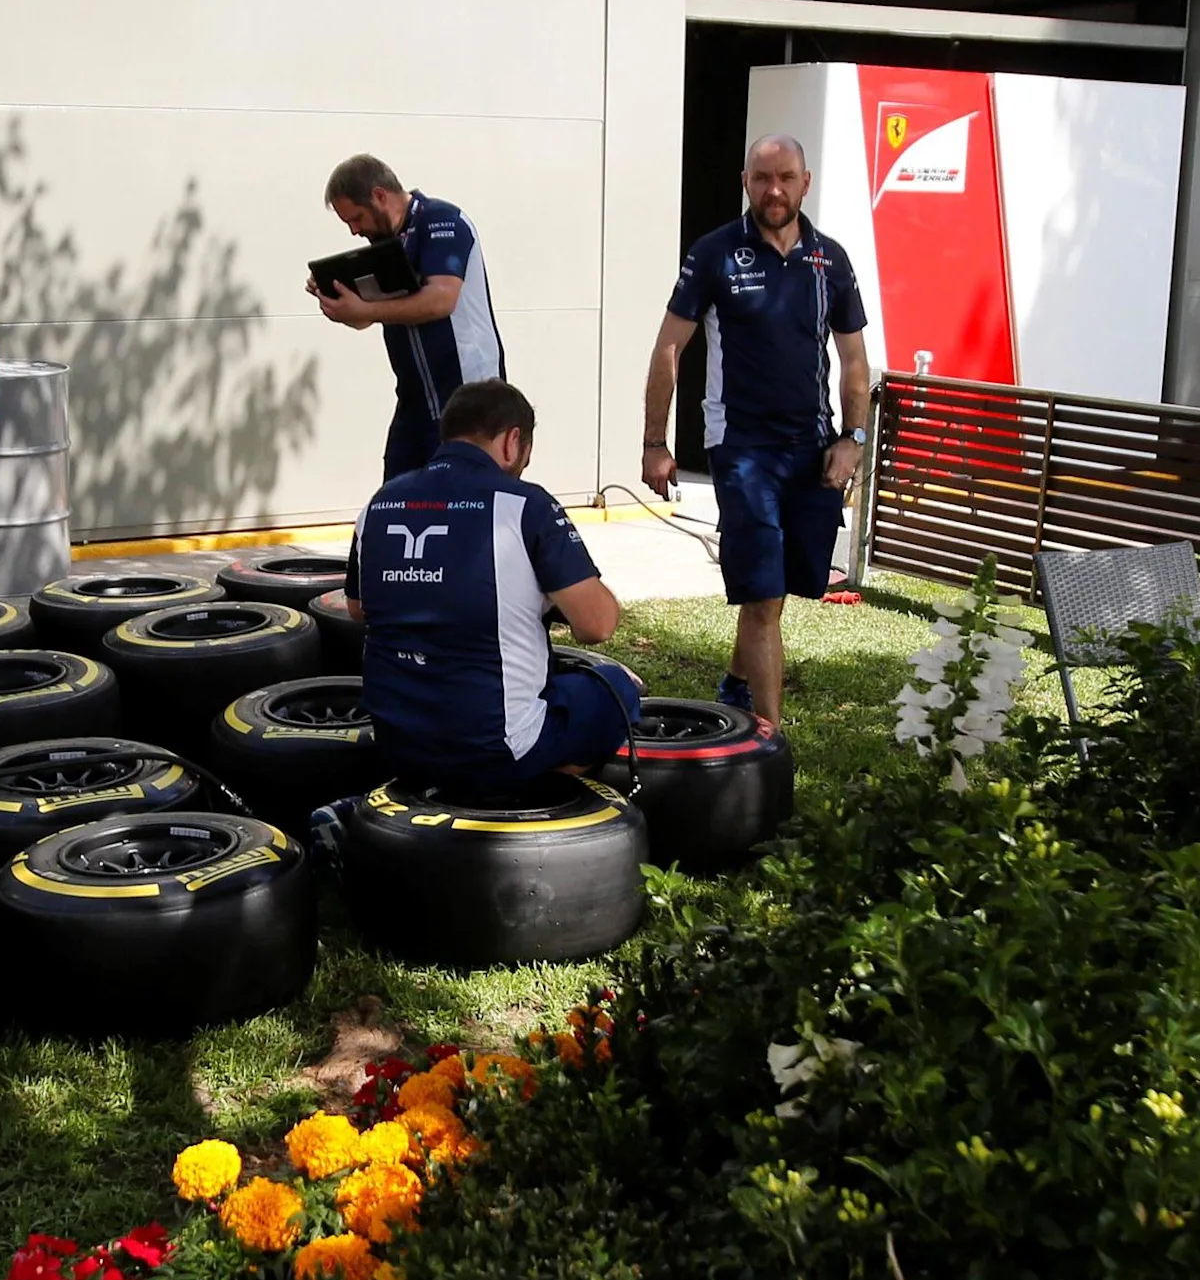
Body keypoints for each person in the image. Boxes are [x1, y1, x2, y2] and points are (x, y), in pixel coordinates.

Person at [639, 133, 872, 729]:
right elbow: (669, 348)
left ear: (805, 183)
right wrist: (655, 443)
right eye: (762, 178)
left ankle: (737, 683)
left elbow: (853, 360)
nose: (774, 190)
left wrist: (852, 439)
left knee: (783, 583)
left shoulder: (830, 260)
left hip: (812, 447)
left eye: (786, 177)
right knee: (763, 595)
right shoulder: (714, 254)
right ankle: (770, 739)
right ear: (745, 181)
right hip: (741, 448)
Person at [341, 379, 639, 804]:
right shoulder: (526, 505)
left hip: (396, 740)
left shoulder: (379, 503)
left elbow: (357, 607)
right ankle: (513, 798)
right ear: (512, 441)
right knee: (616, 687)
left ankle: (407, 802)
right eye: (525, 457)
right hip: (495, 748)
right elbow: (598, 625)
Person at [314, 155, 507, 479]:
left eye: (357, 218)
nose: (354, 230)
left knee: (465, 497)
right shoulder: (383, 243)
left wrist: (365, 310)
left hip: (468, 397)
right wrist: (339, 302)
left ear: (379, 195)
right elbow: (368, 317)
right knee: (397, 496)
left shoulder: (442, 221)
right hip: (415, 399)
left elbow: (441, 300)